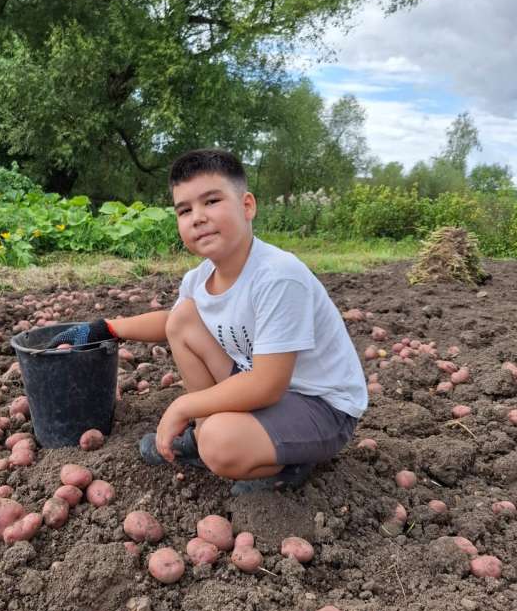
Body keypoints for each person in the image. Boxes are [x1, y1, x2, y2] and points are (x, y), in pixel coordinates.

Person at [49, 148, 368, 494]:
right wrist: (107, 327)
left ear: (247, 206)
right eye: (185, 210)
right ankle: (205, 441)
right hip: (267, 393)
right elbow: (171, 322)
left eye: (211, 201)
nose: (198, 217)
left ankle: (283, 459)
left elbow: (268, 384)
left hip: (320, 407)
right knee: (183, 319)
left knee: (220, 441)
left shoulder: (278, 276)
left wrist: (183, 405)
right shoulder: (201, 278)